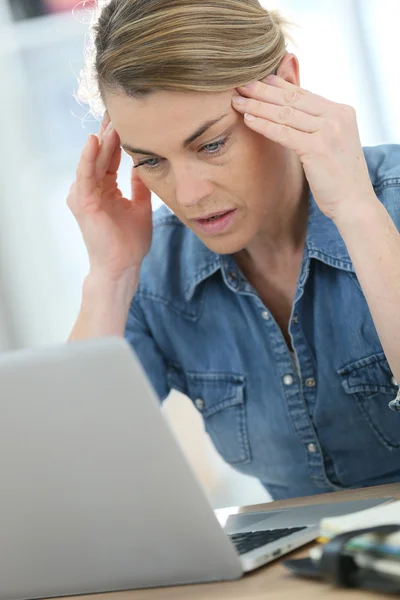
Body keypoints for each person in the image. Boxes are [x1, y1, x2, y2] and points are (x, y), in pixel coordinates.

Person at [68, 0, 400, 500]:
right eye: (151, 161)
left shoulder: (387, 200)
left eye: (211, 145)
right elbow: (73, 477)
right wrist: (110, 276)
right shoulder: (156, 274)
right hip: (300, 575)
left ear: (285, 85)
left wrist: (356, 209)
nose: (189, 194)